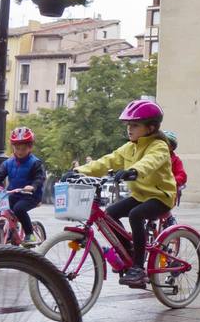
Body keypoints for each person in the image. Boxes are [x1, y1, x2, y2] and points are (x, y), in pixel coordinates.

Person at [75, 100, 176, 286]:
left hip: (161, 196)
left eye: (135, 125)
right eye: (128, 125)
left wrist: (135, 170)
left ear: (151, 127)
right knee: (110, 214)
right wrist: (79, 171)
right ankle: (129, 249)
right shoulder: (129, 147)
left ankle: (138, 268)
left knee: (135, 215)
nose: (129, 129)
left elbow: (151, 162)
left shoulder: (159, 146)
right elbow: (107, 161)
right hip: (140, 195)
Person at [0, 127, 45, 245]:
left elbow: (39, 178)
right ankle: (10, 230)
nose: (20, 151)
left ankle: (30, 234)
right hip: (14, 193)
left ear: (30, 147)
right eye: (17, 148)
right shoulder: (8, 163)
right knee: (1, 206)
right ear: (13, 147)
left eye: (24, 148)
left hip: (30, 196)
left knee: (19, 209)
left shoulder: (35, 162)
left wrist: (32, 187)